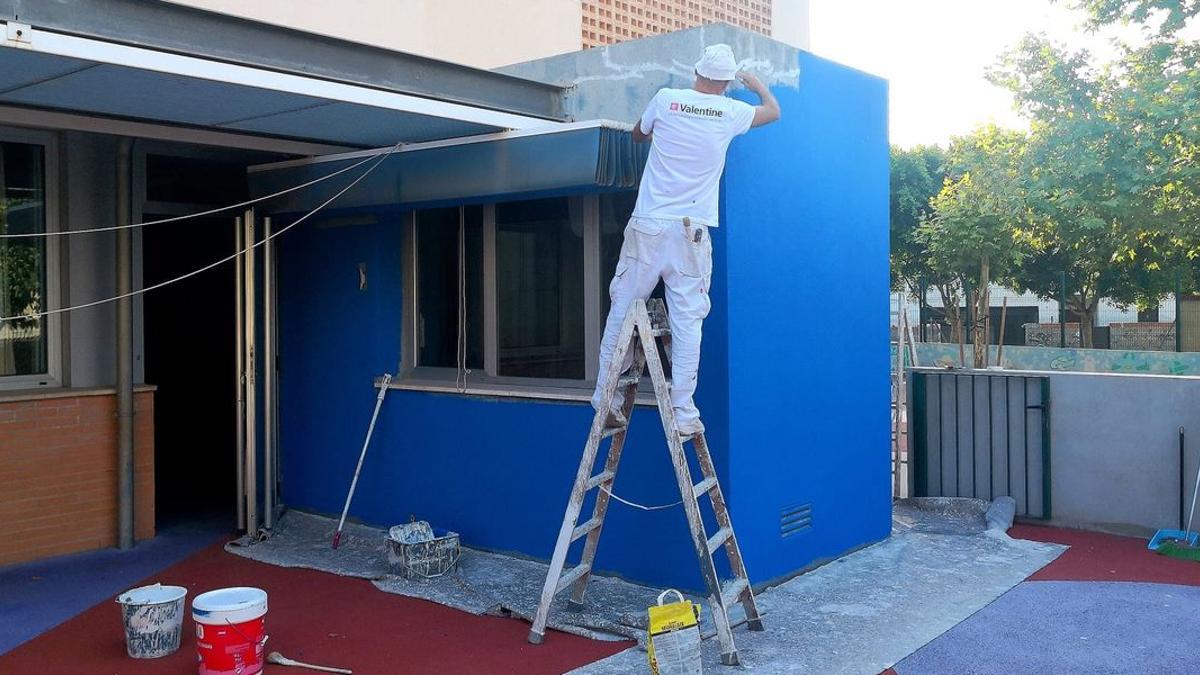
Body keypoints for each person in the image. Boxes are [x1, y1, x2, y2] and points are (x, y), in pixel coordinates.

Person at [592, 43, 782, 436]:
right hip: (690, 231)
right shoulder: (730, 112)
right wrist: (759, 86)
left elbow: (637, 135)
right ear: (726, 82)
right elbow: (774, 112)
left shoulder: (667, 99)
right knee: (688, 322)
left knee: (623, 307)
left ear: (697, 73)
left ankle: (604, 398)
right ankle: (683, 413)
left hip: (649, 224)